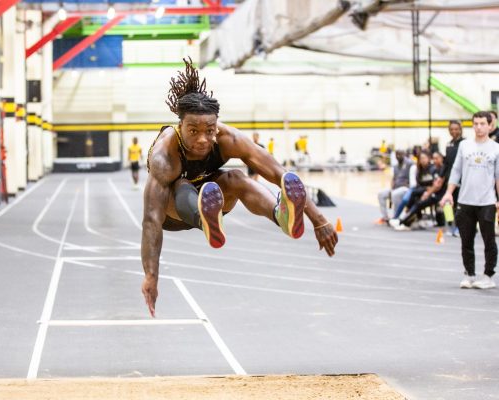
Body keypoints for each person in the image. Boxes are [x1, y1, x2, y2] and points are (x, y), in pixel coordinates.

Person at [141, 58, 338, 317]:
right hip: (174, 212)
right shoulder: (165, 156)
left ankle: (282, 215)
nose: (202, 139)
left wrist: (319, 220)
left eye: (209, 130)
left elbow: (279, 173)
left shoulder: (229, 139)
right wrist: (151, 275)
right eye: (193, 131)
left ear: (216, 127)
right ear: (180, 127)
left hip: (215, 200)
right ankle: (204, 219)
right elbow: (151, 219)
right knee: (182, 184)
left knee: (237, 178)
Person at [441, 111, 499, 289]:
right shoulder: (464, 146)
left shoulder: (496, 148)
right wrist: (448, 193)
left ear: (490, 126)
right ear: (472, 125)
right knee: (466, 240)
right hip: (465, 201)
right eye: (476, 123)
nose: (479, 127)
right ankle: (470, 274)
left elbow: (498, 177)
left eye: (483, 123)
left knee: (489, 240)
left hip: (487, 202)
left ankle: (488, 275)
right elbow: (456, 171)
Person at [377, 149, 413, 224]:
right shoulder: (395, 166)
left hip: (406, 188)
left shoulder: (410, 164)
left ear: (404, 154)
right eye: (397, 155)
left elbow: (413, 178)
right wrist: (391, 188)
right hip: (396, 188)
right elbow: (393, 179)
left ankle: (395, 217)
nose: (398, 156)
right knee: (381, 194)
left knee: (395, 194)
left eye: (400, 154)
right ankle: (385, 217)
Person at [444, 120, 465, 236]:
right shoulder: (449, 144)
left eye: (456, 129)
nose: (454, 131)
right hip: (450, 179)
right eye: (451, 129)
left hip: (461, 180)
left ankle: (459, 227)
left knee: (459, 205)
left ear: (460, 129)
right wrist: (441, 178)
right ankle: (451, 226)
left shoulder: (465, 143)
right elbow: (446, 163)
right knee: (448, 204)